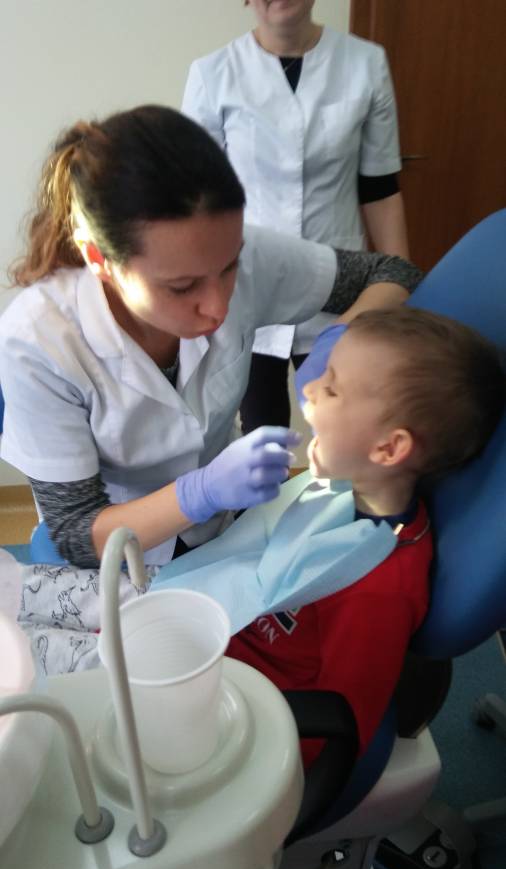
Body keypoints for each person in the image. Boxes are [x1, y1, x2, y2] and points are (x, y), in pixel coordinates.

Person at [13, 308, 505, 770]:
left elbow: (338, 726)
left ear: (389, 448)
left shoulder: (379, 589)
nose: (309, 390)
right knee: (16, 589)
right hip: (206, 599)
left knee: (17, 669)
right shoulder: (336, 491)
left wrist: (252, 782)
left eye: (332, 388)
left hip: (210, 683)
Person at [0, 104, 421, 568]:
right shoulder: (39, 339)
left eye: (229, 267)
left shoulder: (244, 254)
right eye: (182, 287)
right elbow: (76, 533)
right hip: (124, 549)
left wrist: (340, 338)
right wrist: (198, 493)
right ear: (100, 260)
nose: (218, 306)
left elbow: (393, 272)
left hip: (229, 524)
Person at [182, 0, 409, 434]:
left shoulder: (366, 63)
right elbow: (197, 199)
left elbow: (379, 187)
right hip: (250, 282)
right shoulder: (212, 74)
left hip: (341, 282)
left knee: (349, 427)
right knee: (260, 430)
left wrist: (400, 287)